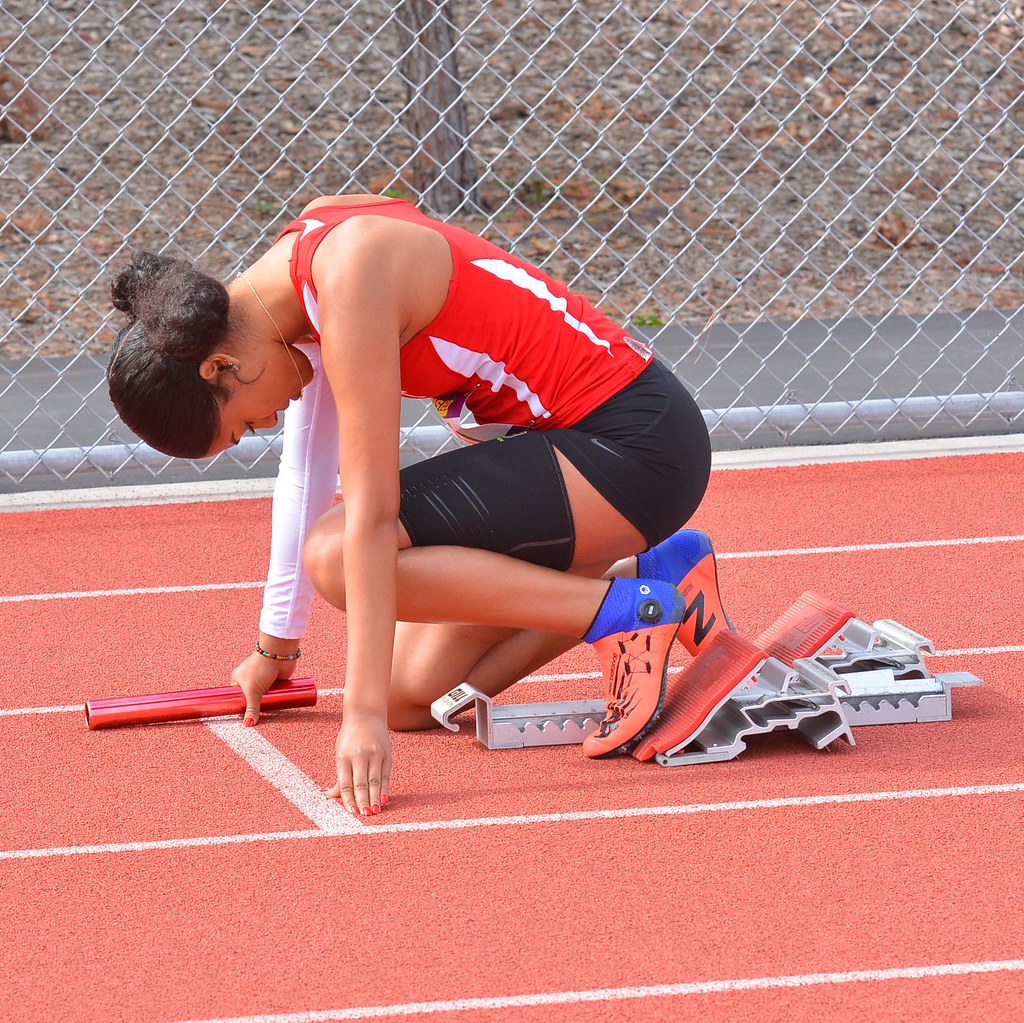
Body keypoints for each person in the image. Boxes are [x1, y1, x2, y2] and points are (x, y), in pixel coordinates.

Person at [106, 192, 734, 817]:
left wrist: (359, 716)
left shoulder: (352, 273)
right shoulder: (287, 300)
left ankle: (631, 615)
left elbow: (373, 519)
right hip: (572, 460)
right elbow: (307, 471)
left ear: (220, 366)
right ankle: (651, 578)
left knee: (337, 556)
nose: (270, 419)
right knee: (413, 699)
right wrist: (278, 649)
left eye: (246, 424)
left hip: (632, 449)